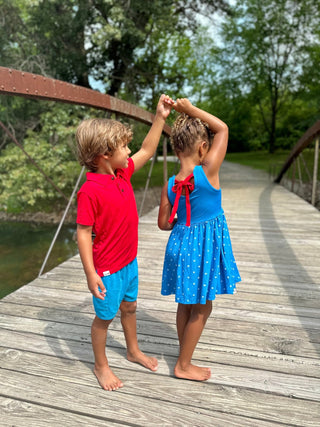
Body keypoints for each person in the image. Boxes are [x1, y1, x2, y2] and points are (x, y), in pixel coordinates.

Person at [76, 94, 174, 391]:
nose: (129, 151)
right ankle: (101, 365)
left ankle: (132, 351)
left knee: (129, 308)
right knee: (103, 319)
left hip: (129, 262)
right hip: (106, 270)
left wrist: (160, 116)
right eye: (123, 147)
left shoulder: (122, 174)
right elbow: (82, 234)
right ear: (104, 154)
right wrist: (90, 273)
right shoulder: (89, 191)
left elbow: (147, 148)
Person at [158, 98, 241, 381]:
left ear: (175, 149)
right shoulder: (208, 171)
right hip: (202, 248)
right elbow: (223, 129)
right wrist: (191, 111)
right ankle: (183, 365)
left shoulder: (170, 184)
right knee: (203, 306)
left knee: (185, 303)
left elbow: (162, 224)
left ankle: (184, 354)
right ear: (203, 148)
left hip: (179, 244)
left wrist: (180, 213)